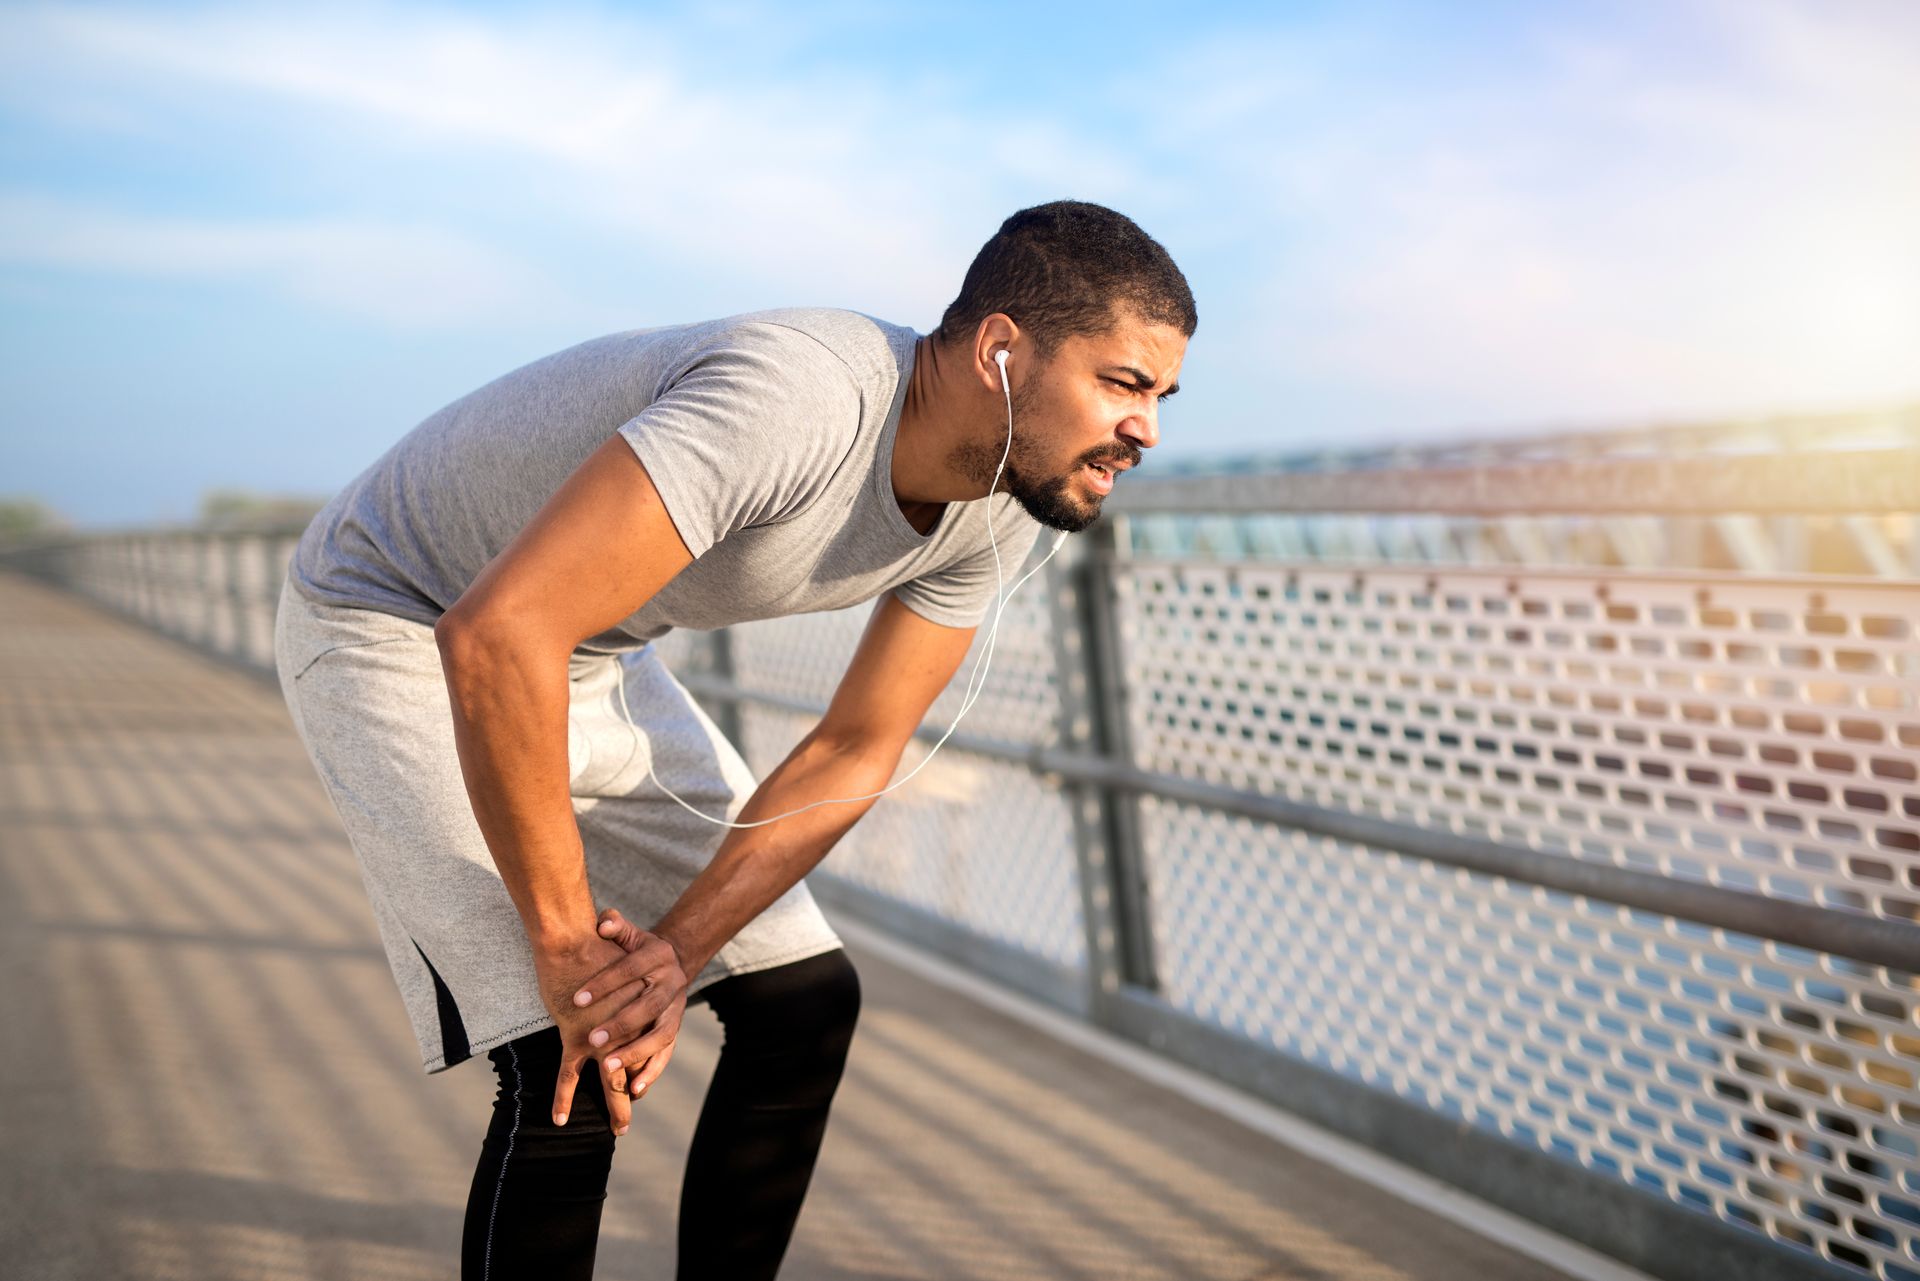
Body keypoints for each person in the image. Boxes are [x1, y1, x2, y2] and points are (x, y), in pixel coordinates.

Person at [272, 198, 1195, 1279]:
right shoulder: (797, 398)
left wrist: (679, 952)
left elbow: (856, 746)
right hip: (399, 615)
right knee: (569, 1048)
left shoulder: (1002, 496)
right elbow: (496, 634)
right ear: (999, 349)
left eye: (1163, 396)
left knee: (802, 1003)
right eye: (1125, 384)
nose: (1149, 430)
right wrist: (574, 947)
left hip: (583, 648)